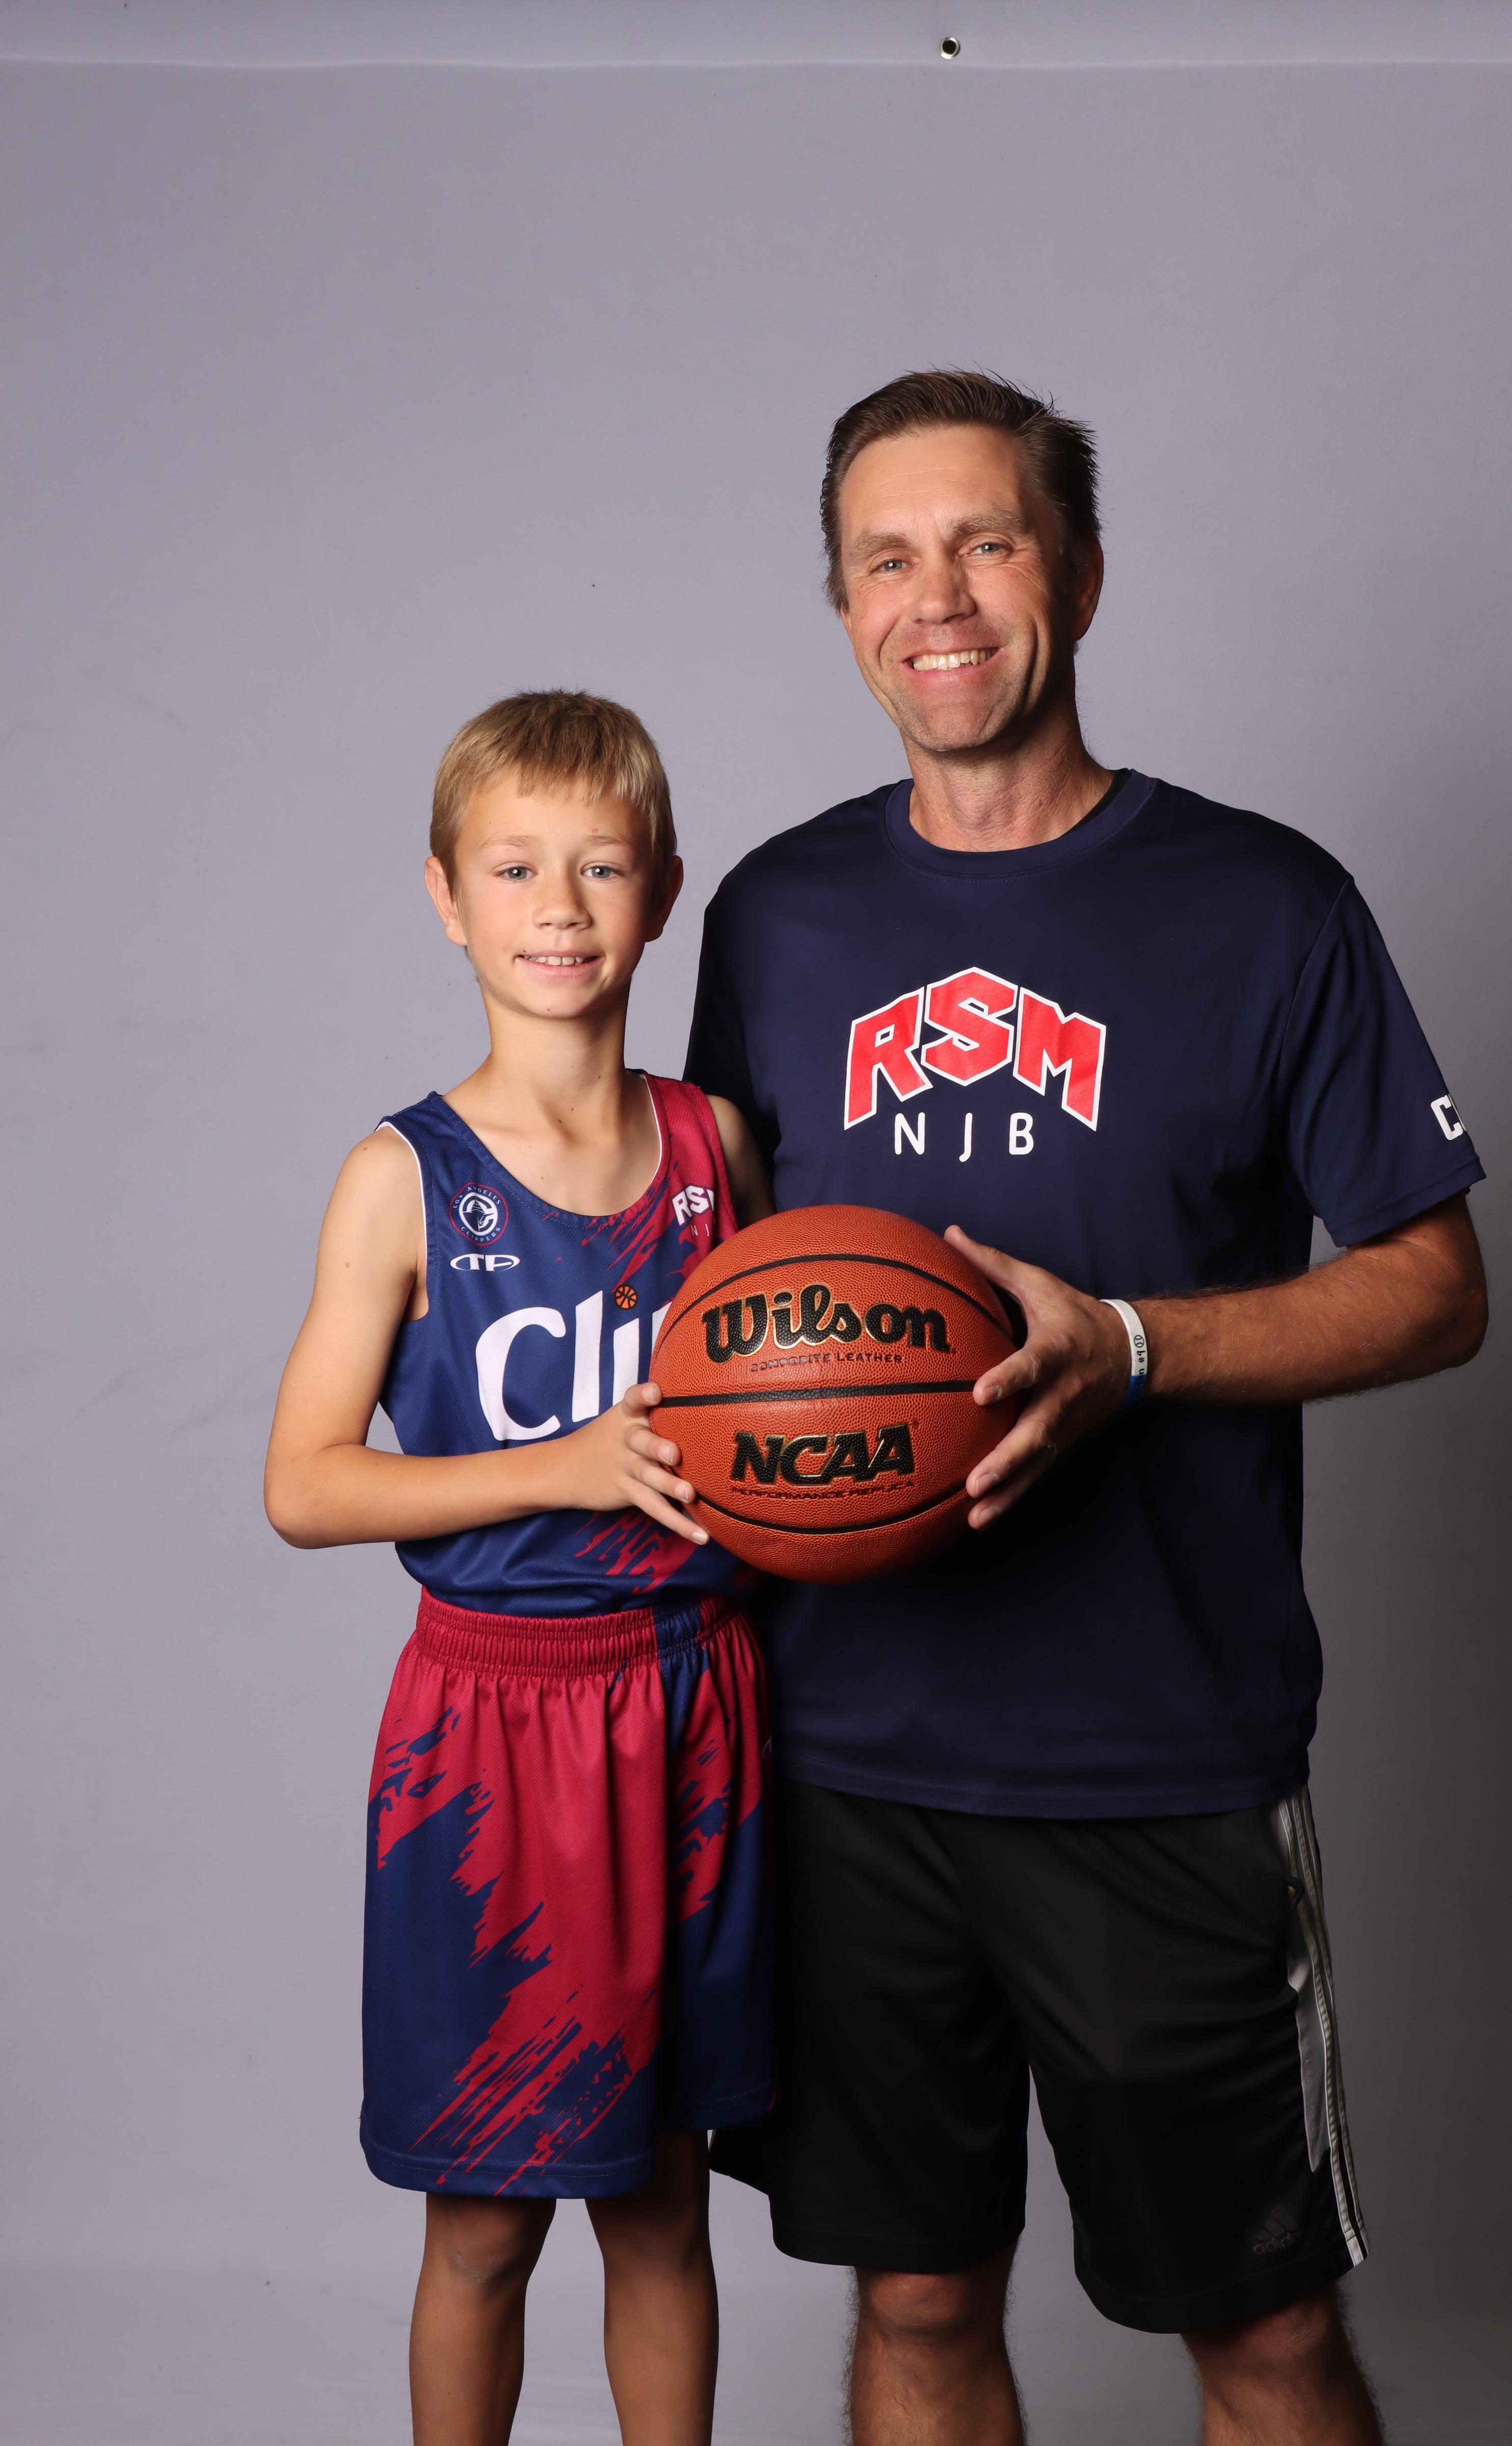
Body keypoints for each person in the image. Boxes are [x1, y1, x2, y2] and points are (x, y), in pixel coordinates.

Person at [682, 372, 1489, 2445]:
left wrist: (1131, 1347)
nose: (935, 597)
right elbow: (716, 1301)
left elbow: (1434, 1285)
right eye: (885, 557)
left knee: (1265, 2338)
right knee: (917, 2301)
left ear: (1084, 574)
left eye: (986, 540)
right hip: (842, 1755)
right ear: (842, 608)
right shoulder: (774, 915)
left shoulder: (1265, 904)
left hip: (1159, 1755)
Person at [264, 691, 773, 2446]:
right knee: (484, 2222)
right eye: (514, 868)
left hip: (697, 1706)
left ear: (663, 892)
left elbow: (788, 1421)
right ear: (445, 896)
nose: (559, 906)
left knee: (665, 2202)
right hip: (499, 1727)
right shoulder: (401, 1176)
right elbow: (303, 1486)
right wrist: (564, 1469)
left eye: (602, 867)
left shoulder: (718, 1149)